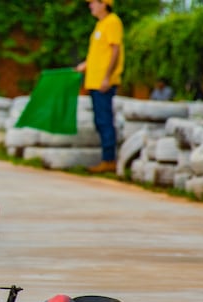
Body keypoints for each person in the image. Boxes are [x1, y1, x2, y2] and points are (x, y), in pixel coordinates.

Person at [75, 0, 124, 174]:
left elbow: (115, 51)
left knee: (104, 120)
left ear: (104, 4)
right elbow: (98, 54)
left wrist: (107, 78)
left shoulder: (112, 22)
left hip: (103, 83)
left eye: (93, 3)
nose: (90, 6)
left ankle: (109, 160)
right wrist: (84, 66)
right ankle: (106, 158)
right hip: (94, 82)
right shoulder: (100, 24)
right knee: (99, 120)